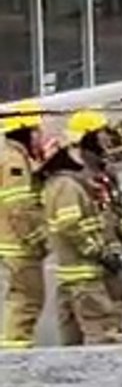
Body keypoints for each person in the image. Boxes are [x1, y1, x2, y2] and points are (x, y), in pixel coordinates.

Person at [41, 133, 122, 346]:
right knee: (101, 333)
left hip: (72, 278)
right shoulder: (67, 186)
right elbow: (70, 225)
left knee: (72, 339)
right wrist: (98, 251)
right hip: (84, 277)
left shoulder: (59, 184)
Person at [67, 109, 122, 342]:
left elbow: (117, 207)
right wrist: (97, 251)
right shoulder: (75, 175)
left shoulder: (107, 171)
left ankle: (111, 344)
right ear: (88, 137)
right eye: (101, 132)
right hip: (90, 257)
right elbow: (72, 223)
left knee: (116, 301)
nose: (107, 137)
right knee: (90, 313)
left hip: (111, 251)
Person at [0, 100, 47, 349]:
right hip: (19, 245)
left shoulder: (14, 157)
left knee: (23, 299)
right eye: (37, 131)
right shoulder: (14, 162)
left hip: (12, 242)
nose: (40, 136)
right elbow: (18, 208)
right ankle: (14, 355)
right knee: (25, 301)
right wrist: (37, 239)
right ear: (25, 131)